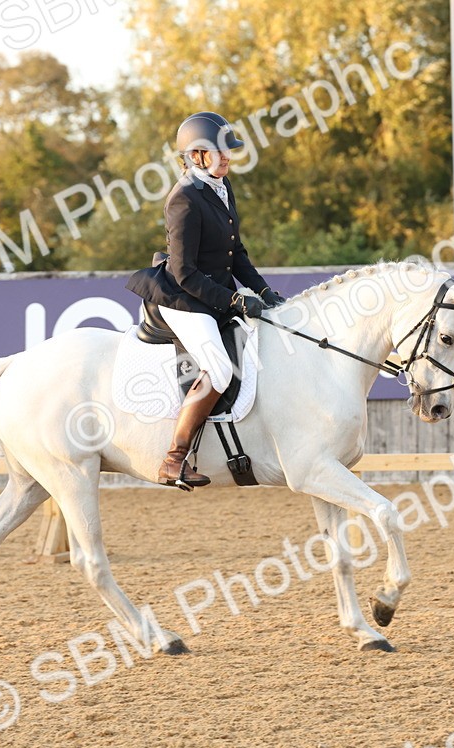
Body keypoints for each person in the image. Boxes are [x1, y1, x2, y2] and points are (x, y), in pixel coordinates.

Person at [127, 111, 286, 490]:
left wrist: (262, 291)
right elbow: (185, 274)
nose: (228, 157)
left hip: (212, 292)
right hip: (183, 298)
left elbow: (238, 253)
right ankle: (174, 459)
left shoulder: (221, 187)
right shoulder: (183, 200)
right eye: (220, 152)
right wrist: (236, 302)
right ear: (197, 155)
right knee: (218, 369)